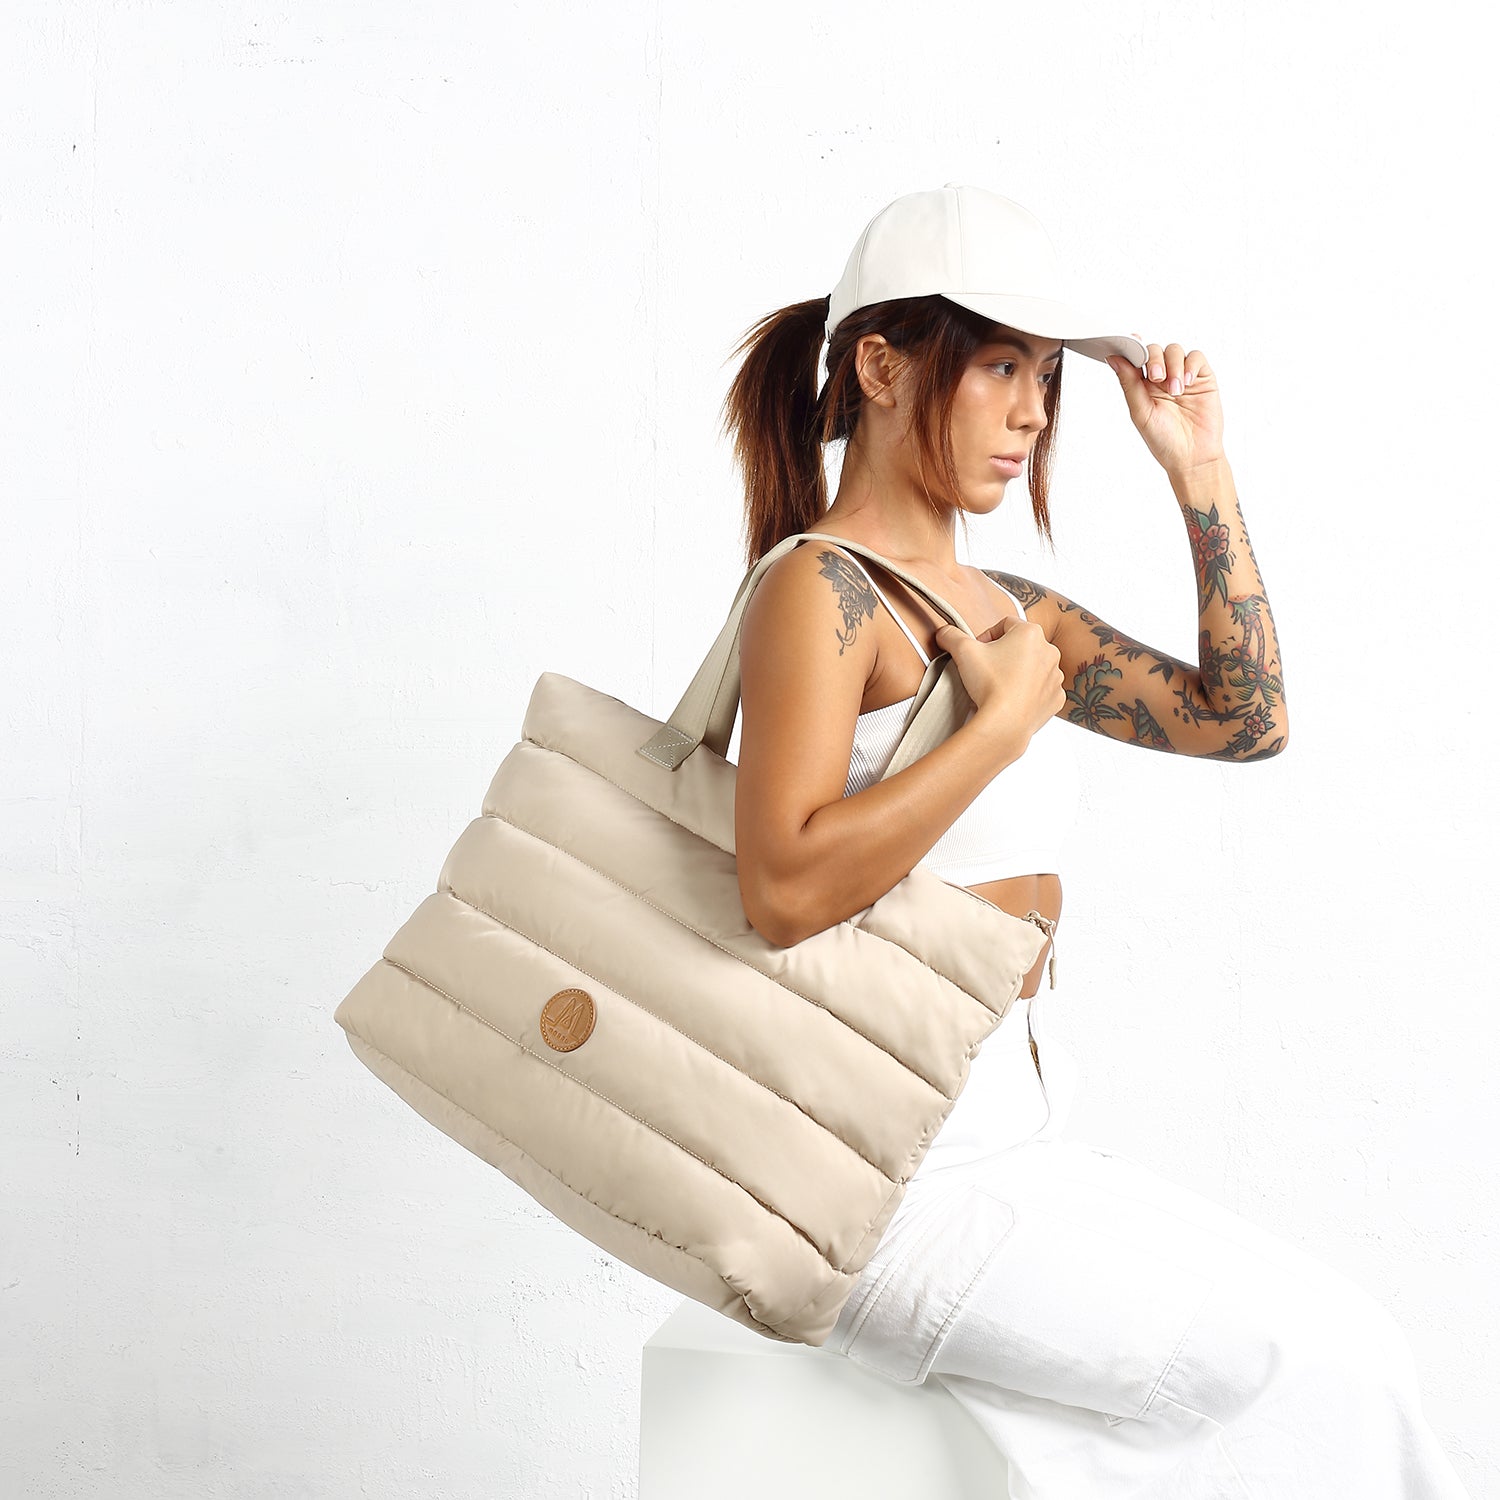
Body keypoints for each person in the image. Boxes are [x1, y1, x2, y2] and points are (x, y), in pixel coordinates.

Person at [721, 184, 1471, 1497]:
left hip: (1019, 1131)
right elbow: (781, 889)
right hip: (881, 1178)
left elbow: (1243, 720)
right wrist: (997, 733)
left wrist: (1199, 470)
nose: (1033, 412)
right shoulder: (817, 589)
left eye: (1046, 375)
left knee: (1347, 1351)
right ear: (883, 369)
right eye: (1000, 367)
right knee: (1317, 1368)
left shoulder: (1010, 611)